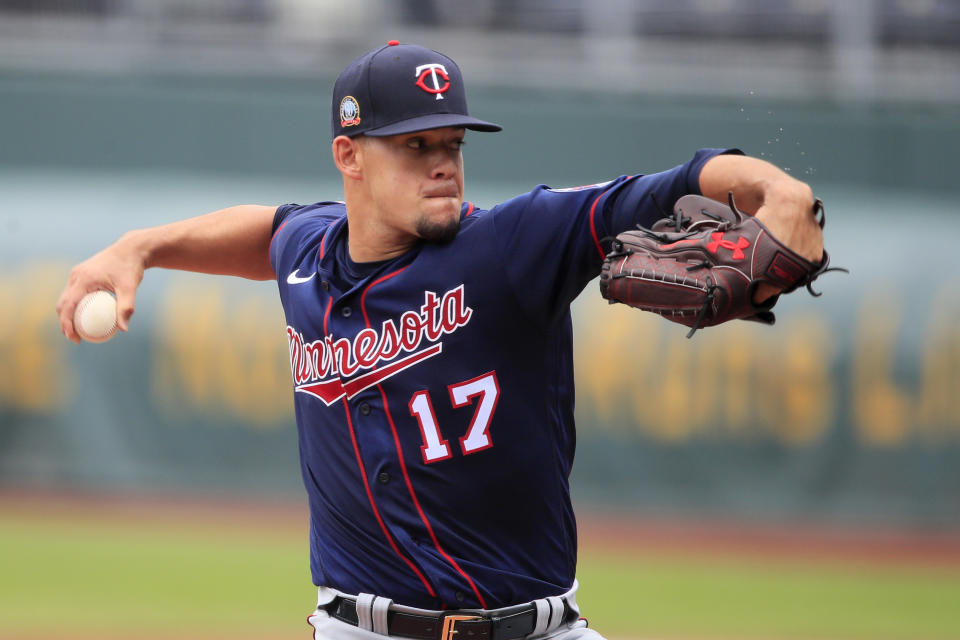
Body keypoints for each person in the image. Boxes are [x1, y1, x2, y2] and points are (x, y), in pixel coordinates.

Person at [56, 41, 824, 640]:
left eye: (451, 143)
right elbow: (267, 230)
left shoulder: (510, 247)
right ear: (348, 156)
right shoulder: (311, 256)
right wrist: (139, 247)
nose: (442, 165)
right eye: (414, 146)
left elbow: (656, 187)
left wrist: (776, 191)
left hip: (539, 623)